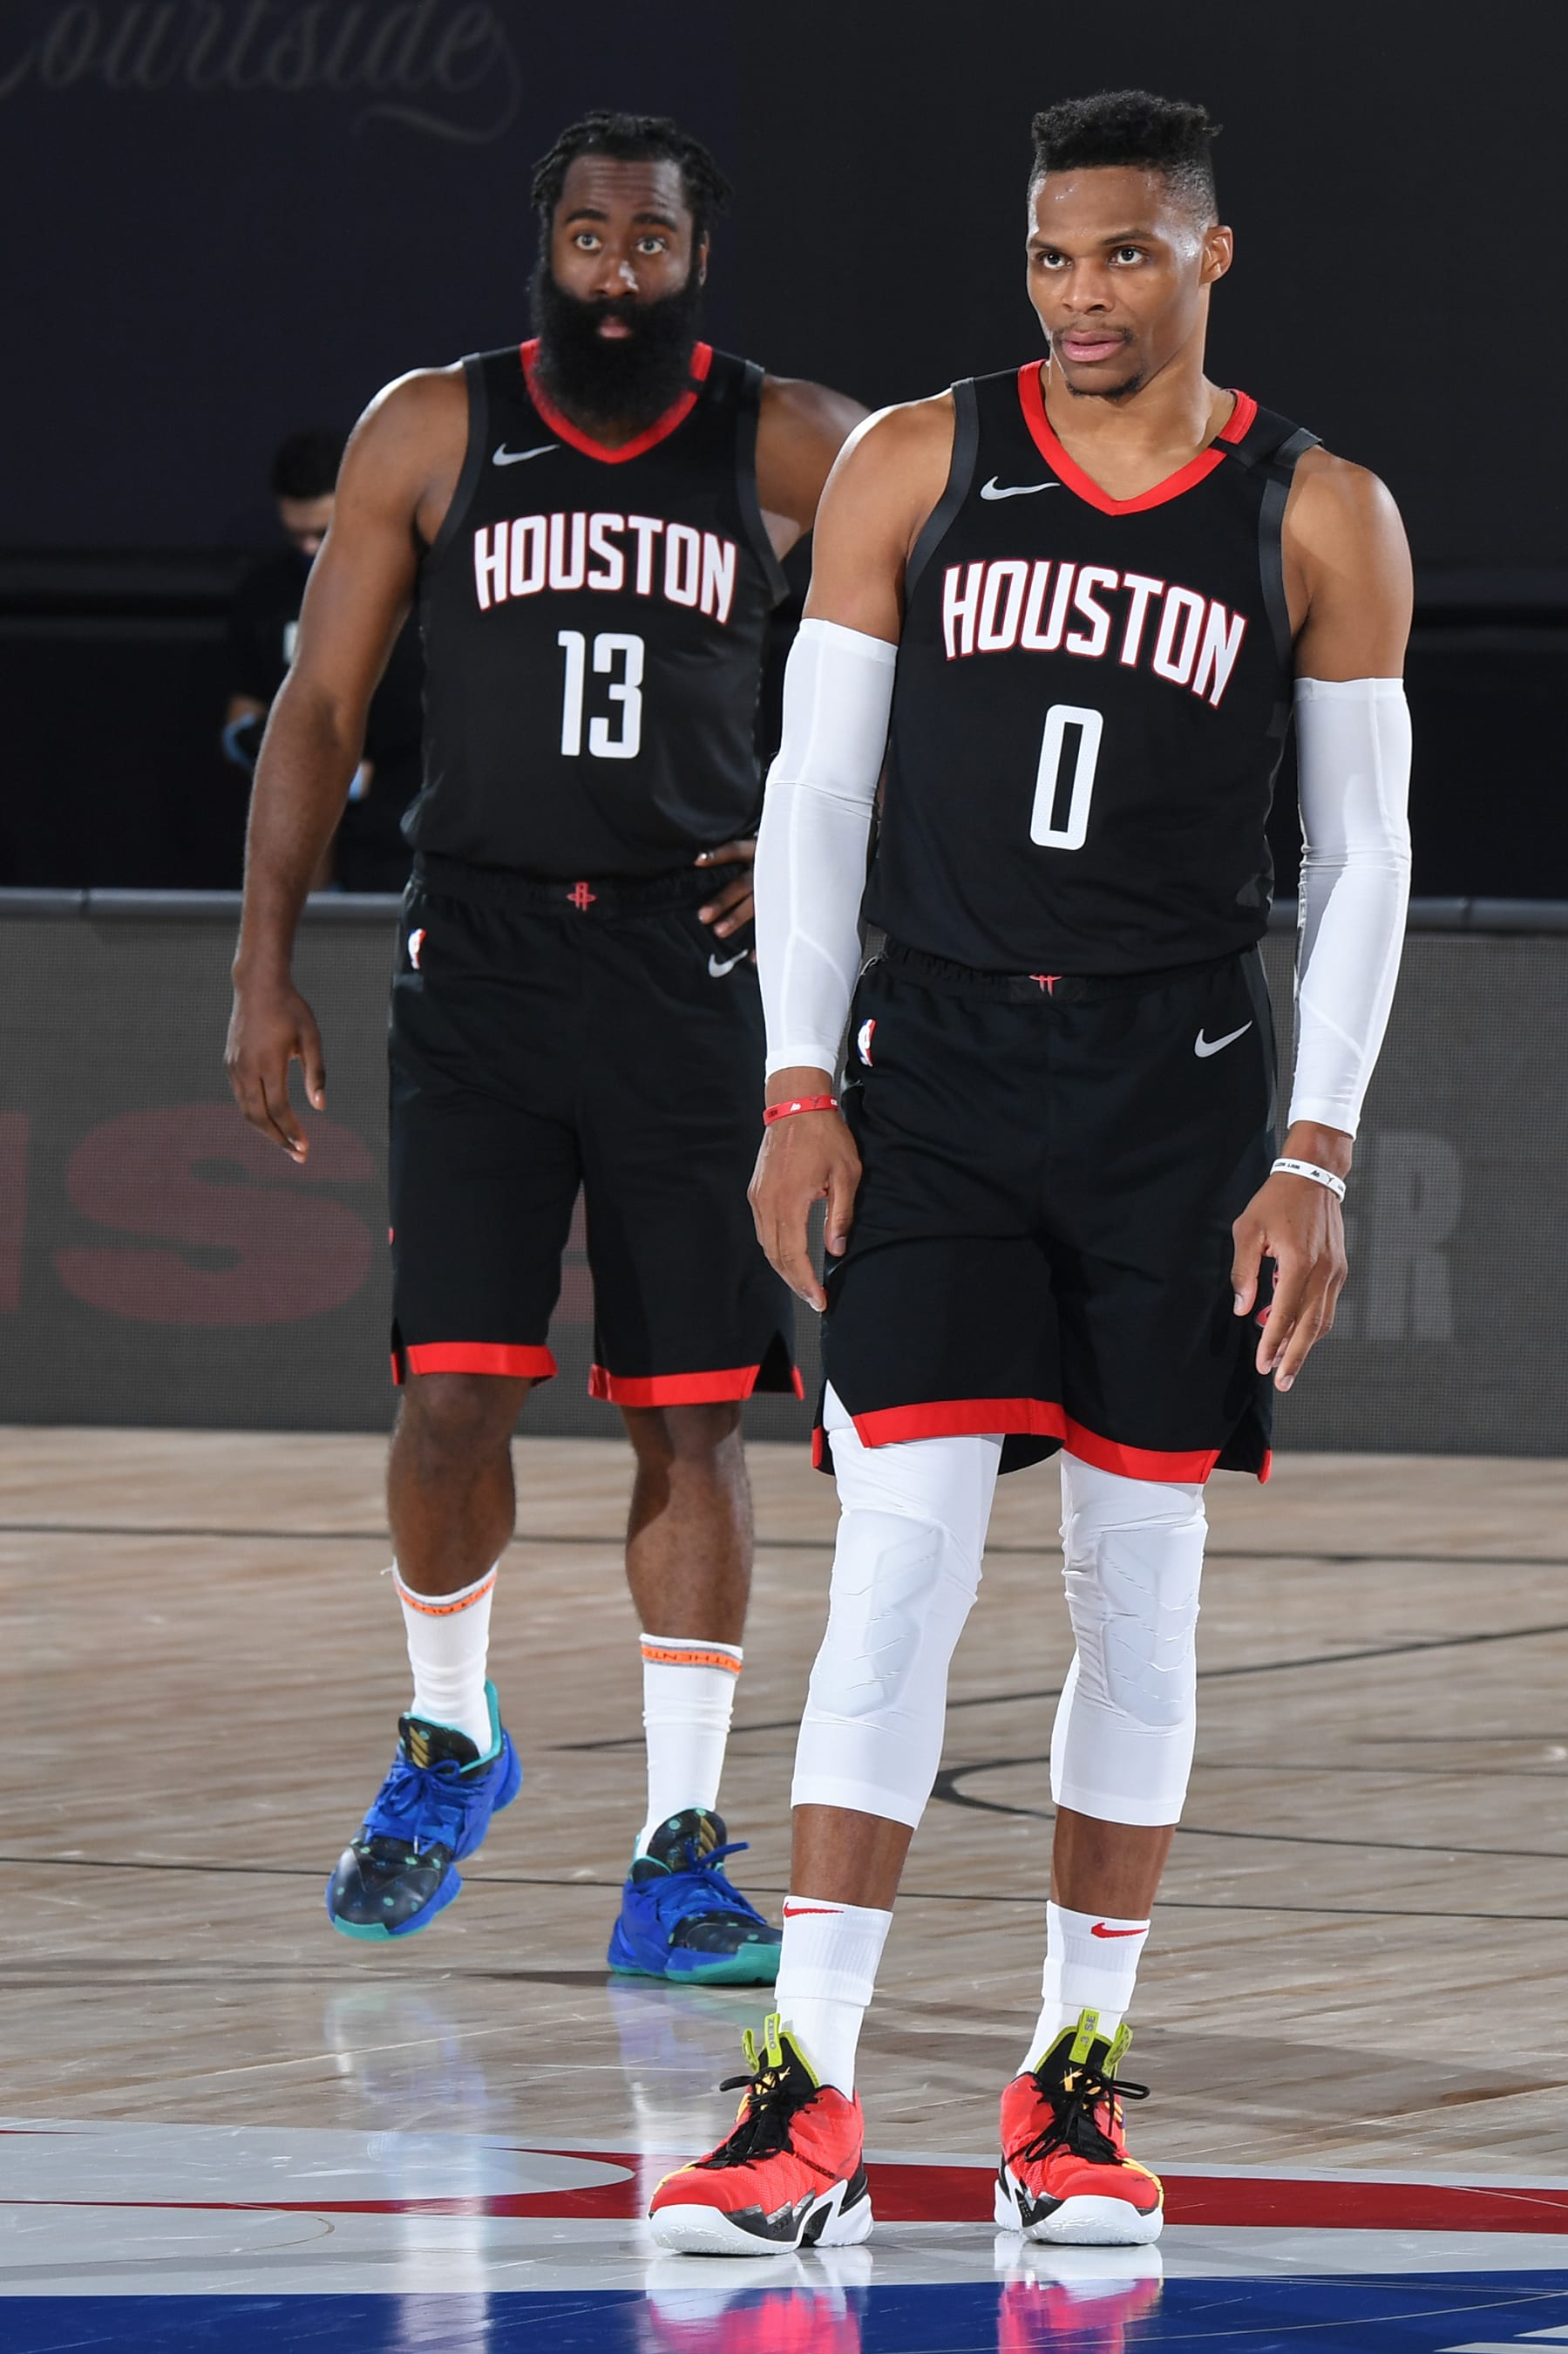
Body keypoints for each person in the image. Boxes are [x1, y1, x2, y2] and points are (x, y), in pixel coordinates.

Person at [650, 88, 1412, 2251]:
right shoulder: (920, 457)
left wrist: (1319, 1147)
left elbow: (1364, 857)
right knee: (894, 1566)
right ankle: (799, 2087)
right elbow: (812, 795)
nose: (1082, 296)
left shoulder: (1316, 507)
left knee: (1133, 1592)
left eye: (1124, 256)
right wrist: (800, 1079)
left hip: (1183, 1094)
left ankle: (1070, 2083)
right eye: (1052, 259)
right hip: (947, 1078)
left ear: (1210, 256)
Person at [225, 112, 865, 1982]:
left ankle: (676, 1852)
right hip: (484, 959)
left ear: (693, 255)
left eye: (645, 241)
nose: (612, 271)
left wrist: (847, 838)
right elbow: (323, 703)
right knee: (451, 1394)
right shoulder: (433, 425)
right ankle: (449, 1733)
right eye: (584, 236)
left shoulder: (787, 439)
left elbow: (956, 661)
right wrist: (264, 965)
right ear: (544, 244)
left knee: (690, 1413)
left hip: (688, 968)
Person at [224, 429, 424, 892]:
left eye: (323, 532)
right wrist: (329, 772)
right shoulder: (266, 593)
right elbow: (241, 719)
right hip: (303, 836)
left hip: (403, 842)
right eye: (297, 535)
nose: (310, 548)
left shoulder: (423, 587)